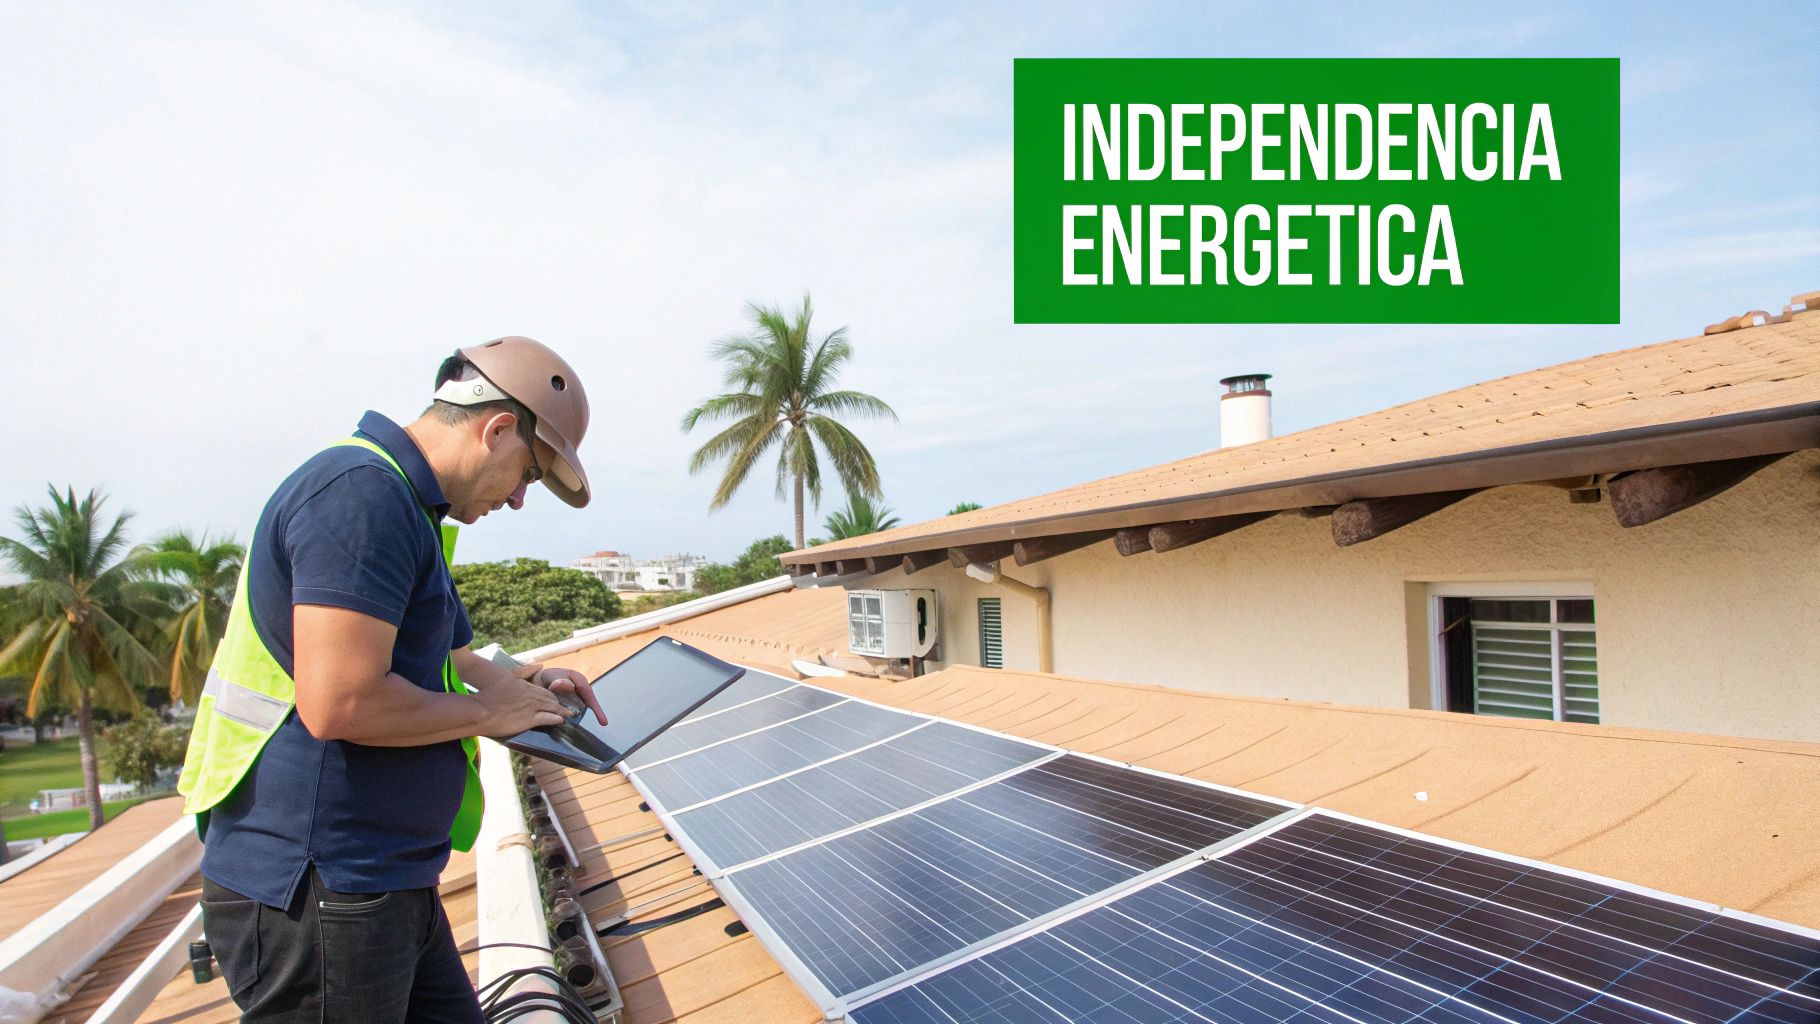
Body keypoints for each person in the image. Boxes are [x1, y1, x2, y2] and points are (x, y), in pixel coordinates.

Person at [177, 337, 608, 1023]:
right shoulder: (360, 498)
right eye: (527, 473)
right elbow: (341, 702)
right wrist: (486, 717)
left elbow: (453, 654)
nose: (521, 499)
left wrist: (525, 679)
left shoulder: (409, 507)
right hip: (319, 888)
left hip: (379, 879)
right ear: (496, 429)